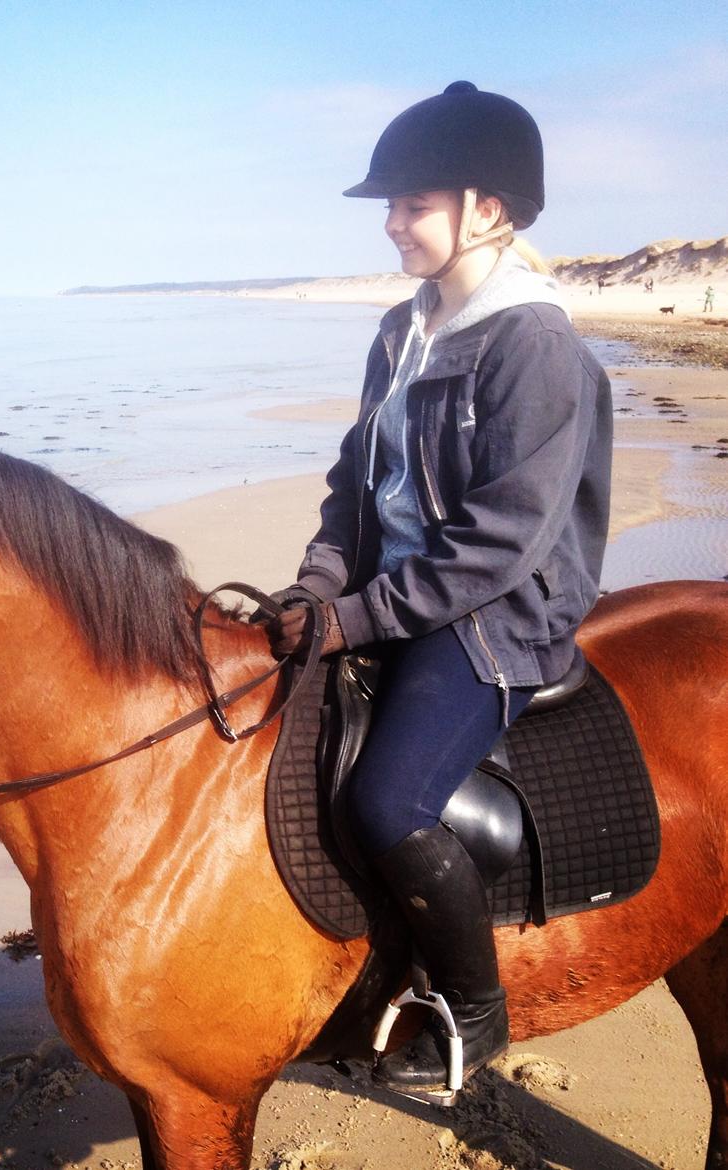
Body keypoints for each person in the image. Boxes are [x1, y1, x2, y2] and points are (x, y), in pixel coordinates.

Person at [267, 81, 612, 1094]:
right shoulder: (401, 329)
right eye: (393, 206)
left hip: (495, 617)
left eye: (413, 204)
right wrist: (316, 586)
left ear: (487, 211)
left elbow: (502, 541)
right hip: (393, 586)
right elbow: (356, 480)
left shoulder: (535, 346)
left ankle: (474, 1006)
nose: (393, 225)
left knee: (389, 799)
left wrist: (359, 618)